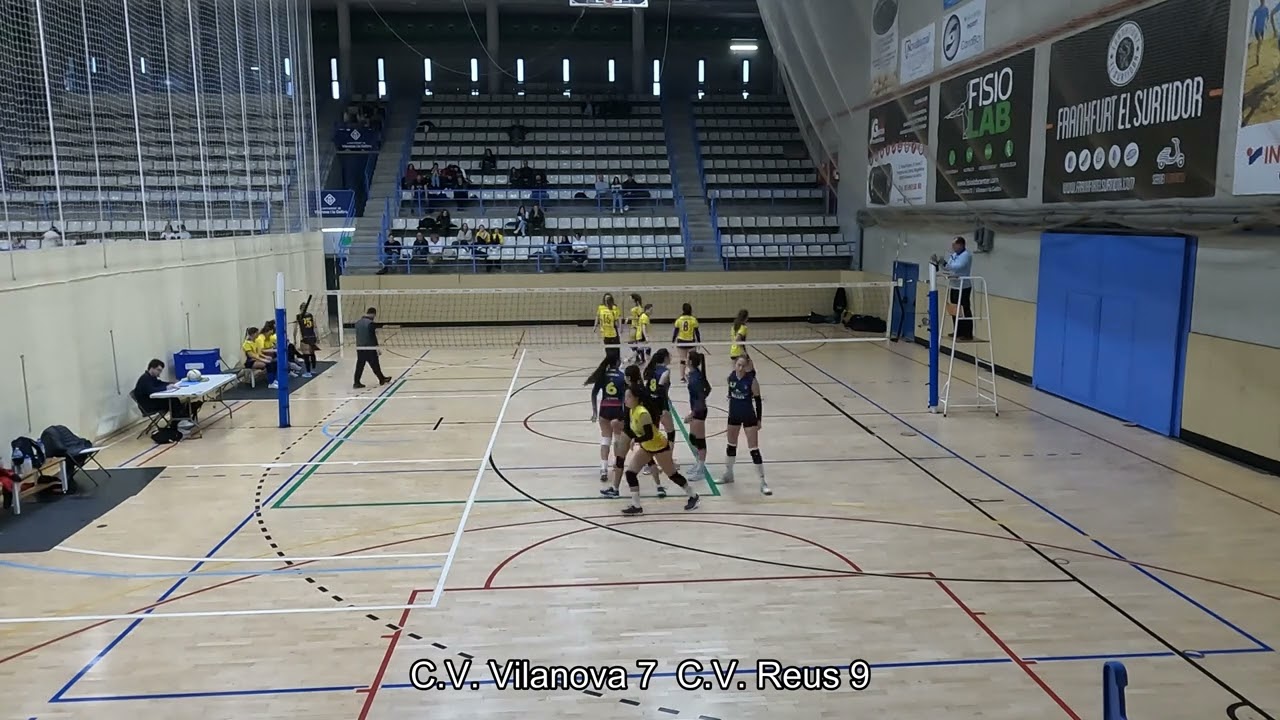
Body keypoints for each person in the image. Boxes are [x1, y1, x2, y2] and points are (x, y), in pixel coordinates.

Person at [618, 383, 700, 515]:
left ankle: (693, 496)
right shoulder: (632, 411)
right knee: (630, 473)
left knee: (672, 475)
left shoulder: (642, 413)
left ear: (636, 398)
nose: (625, 399)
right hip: (647, 447)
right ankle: (636, 505)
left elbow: (649, 434)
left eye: (628, 396)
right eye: (625, 396)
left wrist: (635, 440)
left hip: (660, 447)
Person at [722, 354, 769, 496]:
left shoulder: (752, 381)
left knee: (754, 449)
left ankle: (763, 482)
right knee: (731, 445)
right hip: (734, 415)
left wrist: (759, 420)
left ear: (747, 366)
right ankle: (729, 474)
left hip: (749, 415)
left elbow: (758, 401)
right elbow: (730, 394)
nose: (741, 368)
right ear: (735, 365)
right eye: (738, 365)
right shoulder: (730, 378)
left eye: (743, 365)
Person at [587, 354, 628, 485]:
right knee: (617, 439)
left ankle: (603, 469)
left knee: (605, 439)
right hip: (617, 410)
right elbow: (626, 397)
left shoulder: (602, 375)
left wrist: (594, 411)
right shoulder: (622, 377)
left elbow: (593, 393)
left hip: (604, 409)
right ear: (617, 362)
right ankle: (617, 466)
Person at [936, 236, 974, 341]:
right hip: (954, 285)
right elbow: (949, 266)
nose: (953, 247)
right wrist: (942, 264)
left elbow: (958, 266)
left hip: (963, 286)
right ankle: (957, 331)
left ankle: (967, 333)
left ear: (961, 245)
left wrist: (946, 264)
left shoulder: (966, 255)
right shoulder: (954, 255)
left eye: (954, 245)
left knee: (964, 309)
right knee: (954, 309)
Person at [133, 359, 199, 419]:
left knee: (174, 400)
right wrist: (166, 387)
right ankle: (179, 419)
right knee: (173, 401)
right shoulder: (145, 379)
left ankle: (181, 418)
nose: (159, 373)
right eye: (158, 370)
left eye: (160, 371)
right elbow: (152, 390)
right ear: (152, 368)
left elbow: (159, 383)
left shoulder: (151, 377)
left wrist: (171, 384)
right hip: (148, 405)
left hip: (151, 401)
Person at [683, 350, 711, 479]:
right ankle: (698, 463)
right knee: (693, 438)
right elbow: (708, 389)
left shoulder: (696, 378)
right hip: (696, 409)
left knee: (700, 441)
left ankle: (700, 470)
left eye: (687, 357)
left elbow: (700, 399)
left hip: (699, 411)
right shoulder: (694, 375)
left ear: (690, 361)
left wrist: (692, 414)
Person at [353, 307, 391, 389]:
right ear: (373, 314)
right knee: (375, 364)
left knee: (360, 365)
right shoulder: (370, 323)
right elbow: (372, 337)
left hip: (360, 347)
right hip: (369, 347)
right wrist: (377, 347)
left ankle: (356, 382)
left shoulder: (358, 323)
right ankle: (381, 379)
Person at [672, 302, 701, 381]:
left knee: (682, 359)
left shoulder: (679, 319)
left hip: (681, 341)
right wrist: (699, 341)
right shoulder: (693, 319)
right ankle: (693, 374)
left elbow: (676, 331)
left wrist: (673, 340)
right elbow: (697, 332)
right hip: (691, 341)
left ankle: (682, 377)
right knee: (692, 360)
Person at [294, 302, 320, 378]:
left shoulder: (299, 316)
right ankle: (313, 369)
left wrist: (295, 338)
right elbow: (315, 326)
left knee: (306, 355)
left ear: (300, 308)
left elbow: (295, 329)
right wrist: (317, 336)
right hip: (312, 336)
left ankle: (308, 372)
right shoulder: (310, 315)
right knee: (312, 353)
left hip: (305, 337)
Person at [594, 293, 622, 362]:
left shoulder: (614, 307)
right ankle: (609, 360)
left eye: (609, 298)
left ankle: (617, 359)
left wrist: (620, 327)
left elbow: (618, 318)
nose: (607, 300)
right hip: (604, 330)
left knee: (616, 345)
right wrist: (595, 326)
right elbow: (597, 316)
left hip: (613, 329)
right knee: (607, 346)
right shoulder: (601, 307)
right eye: (606, 298)